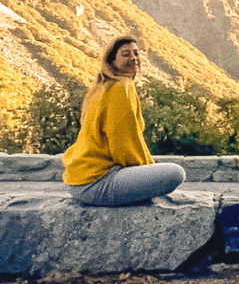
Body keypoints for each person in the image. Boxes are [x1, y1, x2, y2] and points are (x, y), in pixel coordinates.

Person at [62, 35, 185, 206]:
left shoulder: (103, 87)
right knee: (175, 173)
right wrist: (147, 173)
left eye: (136, 53)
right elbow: (123, 141)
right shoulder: (121, 88)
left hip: (79, 180)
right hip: (96, 182)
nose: (133, 59)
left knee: (158, 173)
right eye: (125, 54)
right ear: (111, 61)